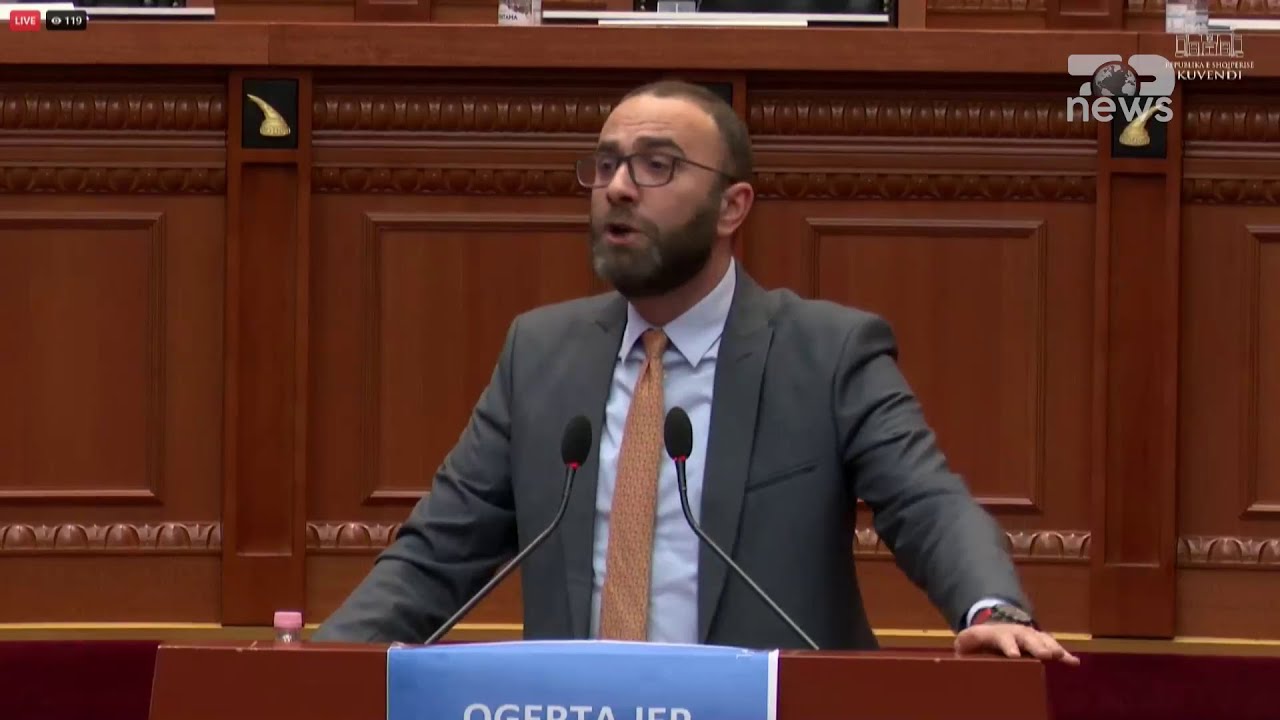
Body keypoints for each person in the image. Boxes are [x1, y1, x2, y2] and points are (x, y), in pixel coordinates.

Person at [315, 80, 1078, 665]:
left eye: (656, 166)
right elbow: (437, 554)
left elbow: (926, 503)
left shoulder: (827, 353)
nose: (618, 187)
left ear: (731, 207)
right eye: (606, 164)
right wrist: (319, 667)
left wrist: (990, 609)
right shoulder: (540, 352)